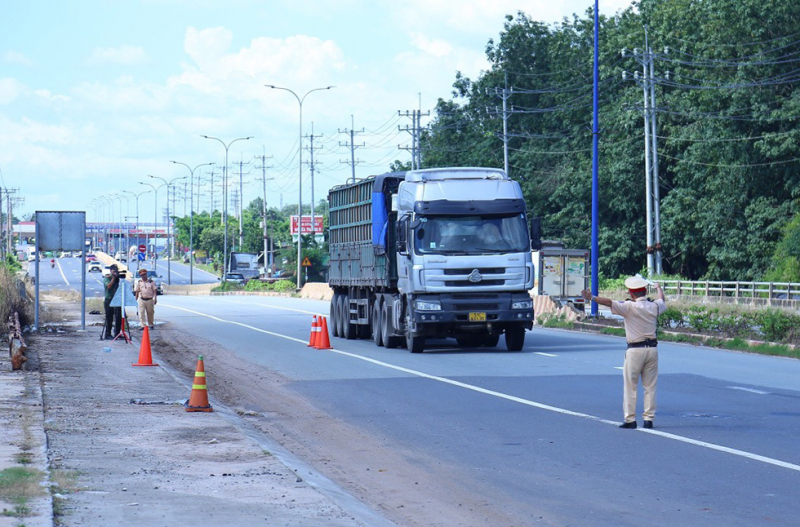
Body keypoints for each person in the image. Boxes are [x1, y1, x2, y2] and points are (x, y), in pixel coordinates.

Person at [581, 276, 666, 429]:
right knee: (650, 386)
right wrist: (659, 288)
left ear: (631, 294)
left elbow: (609, 302)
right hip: (652, 350)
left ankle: (630, 419)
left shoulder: (628, 307)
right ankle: (649, 419)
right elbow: (662, 300)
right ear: (645, 291)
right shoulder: (654, 307)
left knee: (630, 386)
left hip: (635, 350)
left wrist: (592, 297)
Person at [103, 264, 123, 340]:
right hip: (109, 299)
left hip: (117, 300)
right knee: (109, 317)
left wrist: (117, 278)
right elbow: (109, 286)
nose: (115, 272)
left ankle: (117, 333)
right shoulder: (107, 277)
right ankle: (107, 334)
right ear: (110, 271)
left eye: (116, 270)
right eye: (114, 270)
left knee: (118, 317)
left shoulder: (117, 278)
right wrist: (113, 278)